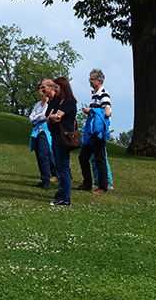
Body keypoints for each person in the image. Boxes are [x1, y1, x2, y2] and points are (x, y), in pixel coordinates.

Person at [77, 69, 111, 194]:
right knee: (83, 157)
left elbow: (107, 112)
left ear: (99, 80)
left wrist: (90, 111)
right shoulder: (94, 95)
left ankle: (103, 187)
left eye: (92, 79)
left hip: (99, 133)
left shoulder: (104, 95)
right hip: (91, 133)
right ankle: (87, 183)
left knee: (100, 159)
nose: (89, 81)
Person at [46, 76, 77, 206]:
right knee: (59, 166)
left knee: (63, 168)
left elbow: (57, 117)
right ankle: (61, 192)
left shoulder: (69, 102)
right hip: (55, 135)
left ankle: (65, 198)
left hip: (63, 137)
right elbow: (48, 118)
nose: (54, 89)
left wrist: (52, 117)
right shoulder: (59, 101)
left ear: (62, 87)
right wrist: (51, 117)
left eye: (56, 87)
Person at [30, 81, 55, 190]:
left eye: (43, 88)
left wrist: (35, 118)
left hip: (44, 131)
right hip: (36, 131)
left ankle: (47, 180)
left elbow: (44, 116)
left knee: (44, 155)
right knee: (39, 156)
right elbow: (31, 116)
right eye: (39, 89)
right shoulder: (37, 105)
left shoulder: (49, 104)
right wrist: (34, 118)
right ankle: (43, 178)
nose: (41, 90)